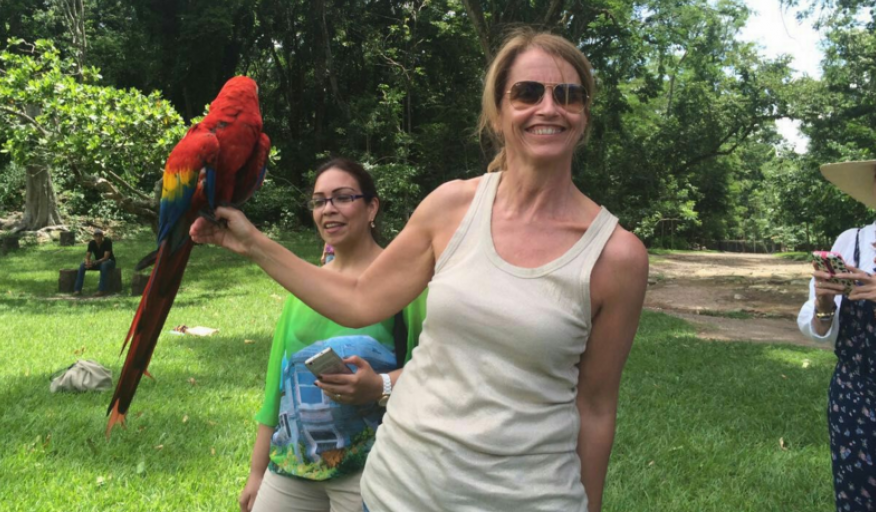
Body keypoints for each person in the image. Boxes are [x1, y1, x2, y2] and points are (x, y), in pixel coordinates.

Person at [193, 29, 648, 512]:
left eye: (569, 95)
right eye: (528, 92)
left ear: (583, 116)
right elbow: (358, 299)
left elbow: (596, 408)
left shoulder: (615, 257)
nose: (549, 107)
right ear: (498, 111)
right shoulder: (452, 206)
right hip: (397, 492)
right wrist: (253, 243)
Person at [239, 158, 427, 512]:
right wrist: (256, 471)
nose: (329, 210)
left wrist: (381, 384)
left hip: (371, 468)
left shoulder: (406, 283)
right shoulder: (305, 285)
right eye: (319, 200)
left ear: (372, 207)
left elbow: (436, 367)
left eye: (343, 197)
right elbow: (275, 385)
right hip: (291, 465)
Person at [798, 159, 876, 512]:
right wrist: (824, 302)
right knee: (857, 497)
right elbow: (819, 330)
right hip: (856, 397)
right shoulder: (852, 241)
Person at [74, 229, 116, 296]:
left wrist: (96, 262)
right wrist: (87, 262)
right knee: (82, 265)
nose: (98, 237)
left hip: (109, 262)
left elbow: (106, 257)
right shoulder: (92, 243)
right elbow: (87, 256)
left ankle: (101, 290)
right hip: (98, 263)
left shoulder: (107, 241)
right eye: (96, 236)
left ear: (102, 236)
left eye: (100, 235)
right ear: (93, 237)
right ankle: (77, 290)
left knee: (104, 265)